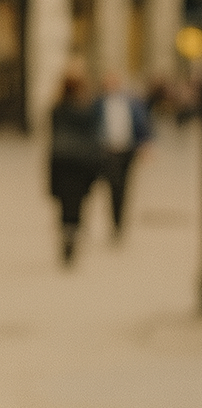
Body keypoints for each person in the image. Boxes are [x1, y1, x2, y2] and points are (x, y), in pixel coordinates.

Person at [48, 60, 100, 264]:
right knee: (78, 201)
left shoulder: (57, 108)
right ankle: (73, 230)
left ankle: (67, 231)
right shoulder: (88, 108)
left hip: (62, 160)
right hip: (81, 162)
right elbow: (94, 136)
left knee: (65, 203)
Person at [96, 71, 151, 238]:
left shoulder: (131, 102)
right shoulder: (98, 104)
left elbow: (142, 124)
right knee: (113, 185)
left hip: (127, 150)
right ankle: (115, 221)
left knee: (124, 186)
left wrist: (145, 144)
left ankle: (120, 221)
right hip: (108, 151)